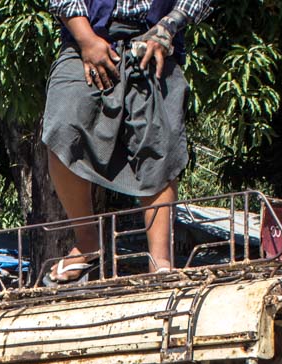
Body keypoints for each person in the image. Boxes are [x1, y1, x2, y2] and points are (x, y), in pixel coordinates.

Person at [41, 1, 215, 282]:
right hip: (87, 37)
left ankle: (160, 261)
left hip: (155, 41)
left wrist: (168, 26)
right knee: (63, 125)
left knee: (160, 141)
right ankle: (87, 240)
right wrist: (86, 40)